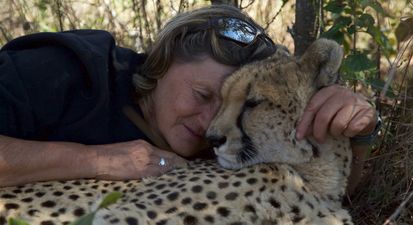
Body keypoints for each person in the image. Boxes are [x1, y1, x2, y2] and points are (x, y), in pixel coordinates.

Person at [0, 5, 378, 191]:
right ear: (162, 61)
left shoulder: (226, 139)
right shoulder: (67, 69)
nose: (214, 126)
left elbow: (325, 195)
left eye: (237, 106)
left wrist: (352, 130)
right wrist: (98, 160)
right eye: (203, 94)